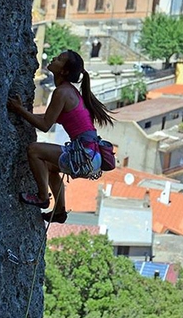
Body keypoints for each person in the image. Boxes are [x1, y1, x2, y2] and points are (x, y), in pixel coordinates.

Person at [7, 50, 114, 223]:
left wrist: (19, 110)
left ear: (64, 71)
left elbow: (44, 125)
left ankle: (42, 197)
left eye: (59, 59)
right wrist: (23, 112)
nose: (54, 59)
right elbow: (47, 118)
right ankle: (59, 211)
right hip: (91, 155)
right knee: (49, 166)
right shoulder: (69, 92)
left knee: (33, 150)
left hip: (84, 154)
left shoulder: (62, 93)